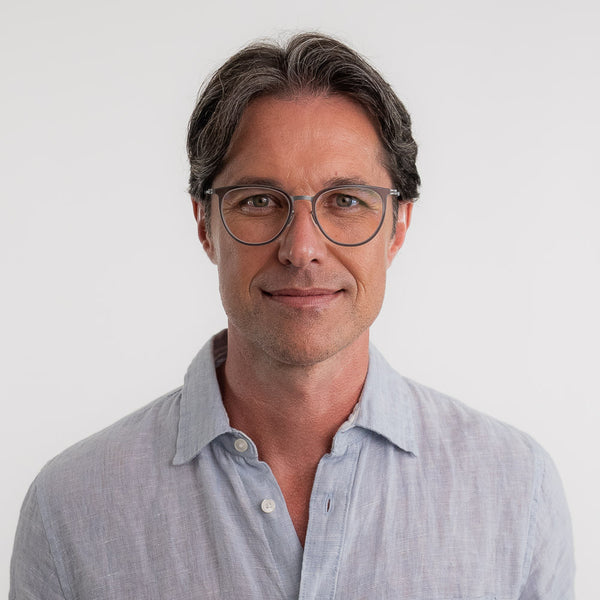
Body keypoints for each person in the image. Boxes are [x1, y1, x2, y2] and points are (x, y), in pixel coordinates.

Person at [10, 33, 574, 599]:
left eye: (346, 200)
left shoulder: (516, 493)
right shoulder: (71, 510)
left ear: (398, 227)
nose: (301, 249)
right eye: (259, 201)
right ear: (205, 224)